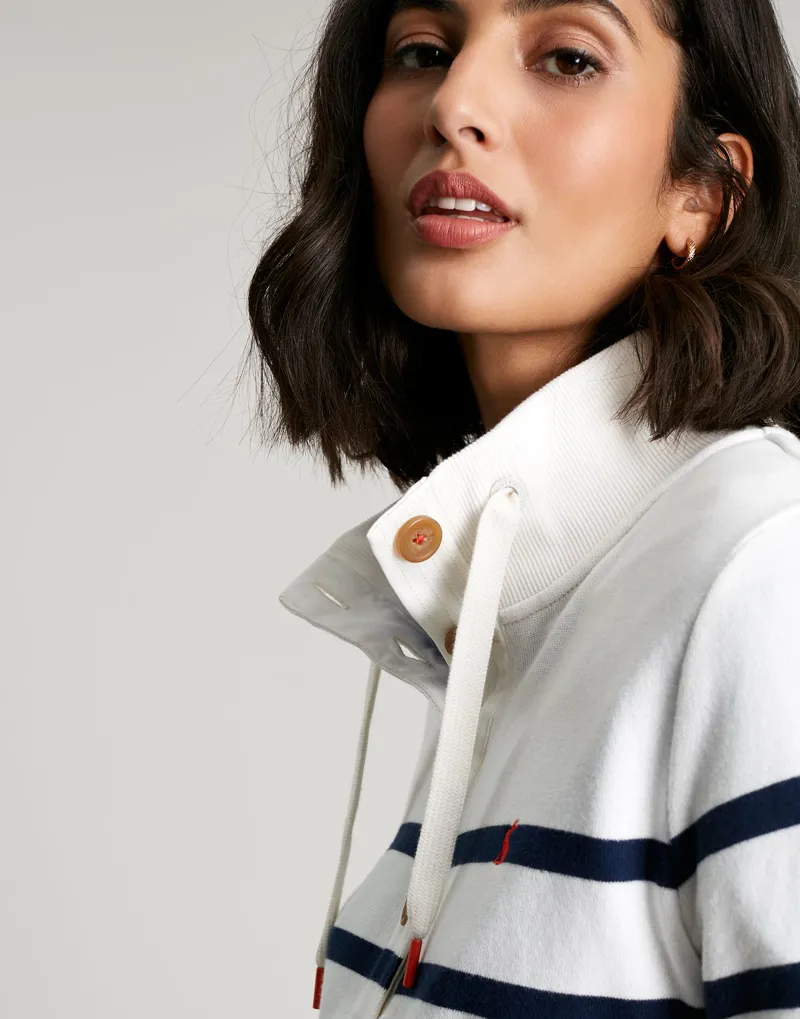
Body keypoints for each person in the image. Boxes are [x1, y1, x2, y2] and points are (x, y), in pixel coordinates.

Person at [246, 0, 800, 1015]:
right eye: (422, 51)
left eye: (568, 58)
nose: (453, 102)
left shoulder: (761, 567)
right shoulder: (519, 599)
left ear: (703, 192)